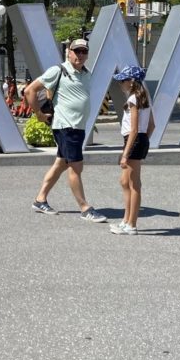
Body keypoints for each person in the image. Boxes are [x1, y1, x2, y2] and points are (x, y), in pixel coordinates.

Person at [24, 38, 107, 222]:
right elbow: (30, 90)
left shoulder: (87, 73)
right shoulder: (58, 71)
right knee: (76, 167)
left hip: (77, 127)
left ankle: (40, 200)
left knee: (61, 163)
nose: (80, 55)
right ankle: (85, 208)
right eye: (76, 51)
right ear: (69, 52)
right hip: (66, 126)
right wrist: (38, 113)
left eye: (83, 51)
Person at [110, 66, 155, 235]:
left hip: (133, 139)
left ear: (131, 82)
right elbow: (152, 125)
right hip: (139, 139)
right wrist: (144, 142)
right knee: (124, 181)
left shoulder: (133, 99)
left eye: (123, 80)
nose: (121, 84)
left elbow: (134, 129)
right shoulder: (144, 98)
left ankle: (132, 224)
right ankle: (126, 220)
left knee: (134, 184)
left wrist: (126, 153)